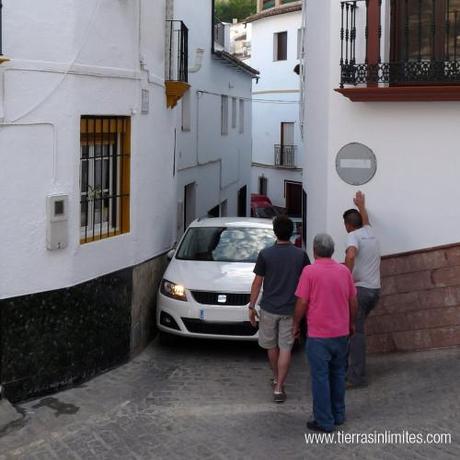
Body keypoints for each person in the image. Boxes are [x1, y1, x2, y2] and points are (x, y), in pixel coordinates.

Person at [293, 233, 357, 433]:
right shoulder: (344, 271)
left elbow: (302, 302)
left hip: (319, 335)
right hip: (340, 332)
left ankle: (324, 420)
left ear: (314, 250)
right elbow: (353, 301)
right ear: (332, 250)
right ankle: (338, 414)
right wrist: (351, 323)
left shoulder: (309, 272)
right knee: (338, 374)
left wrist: (295, 323)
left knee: (320, 377)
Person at [249, 215, 310, 403]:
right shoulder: (300, 255)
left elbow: (257, 282)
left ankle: (276, 377)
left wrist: (251, 306)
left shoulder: (265, 254)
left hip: (269, 308)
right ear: (291, 233)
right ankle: (279, 388)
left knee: (271, 346)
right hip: (291, 309)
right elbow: (307, 281)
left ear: (275, 232)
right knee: (286, 348)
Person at [343, 191, 381, 388]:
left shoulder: (353, 236)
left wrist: (345, 279)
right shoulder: (370, 232)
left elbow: (350, 256)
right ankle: (349, 370)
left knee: (356, 334)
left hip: (361, 292)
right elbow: (364, 221)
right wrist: (361, 206)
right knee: (354, 331)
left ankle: (356, 377)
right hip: (375, 291)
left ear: (348, 225)